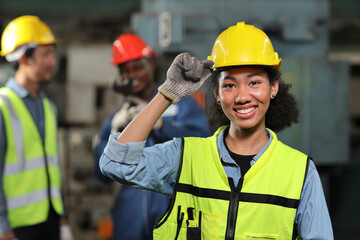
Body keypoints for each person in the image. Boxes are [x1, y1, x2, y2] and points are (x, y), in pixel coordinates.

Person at [99, 22, 334, 239]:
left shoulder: (300, 173)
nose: (242, 96)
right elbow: (115, 165)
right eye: (230, 85)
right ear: (217, 95)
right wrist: (166, 95)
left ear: (273, 87)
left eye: (254, 82)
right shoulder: (185, 157)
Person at [93, 33, 210, 240]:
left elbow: (203, 145)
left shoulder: (182, 107)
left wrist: (162, 124)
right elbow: (101, 174)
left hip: (174, 210)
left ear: (151, 65)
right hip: (130, 219)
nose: (131, 75)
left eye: (137, 67)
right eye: (124, 71)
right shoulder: (119, 119)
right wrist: (114, 133)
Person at [0, 16, 71, 240]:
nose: (53, 62)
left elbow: (51, 166)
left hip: (50, 220)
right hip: (17, 226)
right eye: (46, 55)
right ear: (24, 59)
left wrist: (62, 214)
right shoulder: (3, 106)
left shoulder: (48, 106)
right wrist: (2, 227)